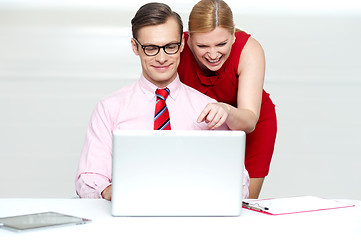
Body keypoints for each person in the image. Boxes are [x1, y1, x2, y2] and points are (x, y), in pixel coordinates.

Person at [75, 2, 250, 201]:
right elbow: (88, 179)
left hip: (193, 216)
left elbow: (240, 184)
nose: (161, 58)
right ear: (135, 47)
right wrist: (108, 191)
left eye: (169, 47)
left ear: (182, 44)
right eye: (150, 48)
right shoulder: (109, 108)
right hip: (127, 219)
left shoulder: (209, 109)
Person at [178, 0, 277, 198]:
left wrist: (226, 110)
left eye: (221, 44)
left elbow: (249, 120)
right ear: (187, 41)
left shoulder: (250, 49)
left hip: (252, 126)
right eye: (202, 45)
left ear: (233, 36)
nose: (213, 54)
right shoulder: (177, 49)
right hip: (201, 128)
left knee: (242, 203)